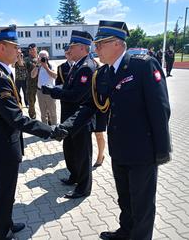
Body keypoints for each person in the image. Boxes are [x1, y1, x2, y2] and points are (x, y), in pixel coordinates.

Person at [58, 20, 171, 240]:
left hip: (142, 151)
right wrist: (65, 128)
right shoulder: (105, 73)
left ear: (118, 44)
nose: (96, 48)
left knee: (142, 205)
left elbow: (161, 109)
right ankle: (125, 232)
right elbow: (92, 105)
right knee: (125, 199)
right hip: (119, 150)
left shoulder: (143, 65)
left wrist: (162, 150)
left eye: (100, 44)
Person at [0, 25, 66, 240]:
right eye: (15, 47)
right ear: (1, 48)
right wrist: (50, 131)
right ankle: (2, 233)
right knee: (3, 194)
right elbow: (17, 119)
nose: (19, 51)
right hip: (2, 147)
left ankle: (6, 224)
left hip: (3, 142)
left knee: (7, 192)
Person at [42, 30, 96, 199]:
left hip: (80, 120)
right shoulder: (76, 65)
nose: (69, 50)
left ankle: (83, 187)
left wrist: (53, 92)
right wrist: (56, 89)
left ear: (81, 47)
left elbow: (76, 95)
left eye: (72, 47)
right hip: (70, 120)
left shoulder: (87, 67)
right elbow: (68, 88)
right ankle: (74, 176)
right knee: (70, 151)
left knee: (82, 154)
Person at [31, 50, 57, 125]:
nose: (42, 58)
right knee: (43, 113)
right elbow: (32, 76)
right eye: (40, 57)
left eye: (44, 57)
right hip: (40, 92)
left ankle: (54, 129)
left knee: (52, 113)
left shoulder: (52, 64)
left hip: (50, 92)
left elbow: (55, 76)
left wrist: (46, 67)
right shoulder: (38, 65)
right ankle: (45, 130)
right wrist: (37, 66)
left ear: (48, 57)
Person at [25, 43, 38, 119]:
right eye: (30, 50)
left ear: (36, 49)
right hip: (31, 85)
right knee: (31, 102)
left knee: (44, 102)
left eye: (33, 49)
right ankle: (32, 117)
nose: (32, 51)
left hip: (40, 84)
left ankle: (48, 118)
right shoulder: (27, 60)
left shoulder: (42, 58)